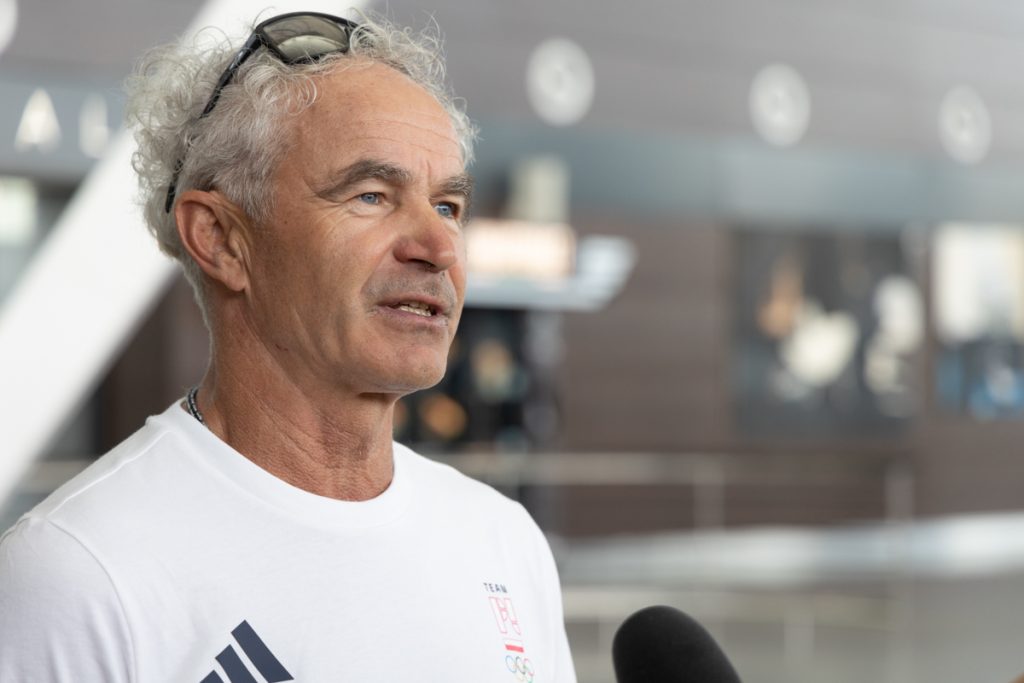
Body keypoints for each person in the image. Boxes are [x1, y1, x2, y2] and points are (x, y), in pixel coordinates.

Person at [0, 12, 576, 682]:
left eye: (448, 206)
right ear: (221, 239)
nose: (440, 247)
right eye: (371, 195)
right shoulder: (79, 572)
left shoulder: (504, 541)